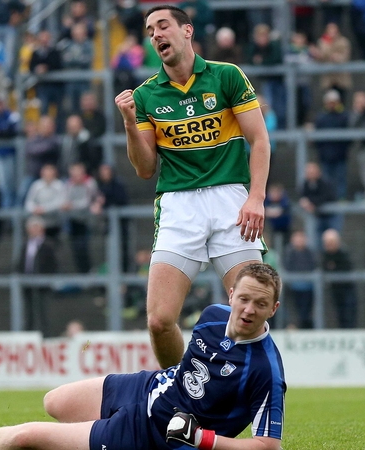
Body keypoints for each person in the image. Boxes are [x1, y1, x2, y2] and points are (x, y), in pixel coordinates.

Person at [0, 263, 286, 450]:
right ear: (231, 295)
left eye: (260, 303)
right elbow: (188, 370)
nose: (248, 310)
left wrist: (201, 439)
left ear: (274, 308)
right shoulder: (212, 316)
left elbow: (268, 448)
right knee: (54, 402)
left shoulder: (266, 369)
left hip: (154, 435)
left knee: (27, 438)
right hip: (149, 389)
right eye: (244, 298)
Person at [114, 5, 271, 369]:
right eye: (150, 30)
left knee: (253, 311)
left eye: (163, 26)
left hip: (231, 198)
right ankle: (180, 397)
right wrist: (128, 123)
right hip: (179, 205)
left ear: (187, 31)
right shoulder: (146, 95)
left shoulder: (226, 76)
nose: (156, 35)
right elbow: (145, 168)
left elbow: (259, 140)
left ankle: (259, 396)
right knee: (158, 321)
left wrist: (257, 197)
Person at [18, 215, 58, 335]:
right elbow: (20, 262)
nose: (33, 229)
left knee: (43, 312)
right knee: (28, 313)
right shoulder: (25, 245)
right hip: (28, 285)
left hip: (43, 285)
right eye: (31, 227)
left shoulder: (49, 245)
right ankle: (28, 335)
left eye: (36, 227)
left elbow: (53, 264)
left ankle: (45, 336)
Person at [321, 228, 357, 329]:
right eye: (327, 243)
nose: (329, 245)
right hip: (335, 291)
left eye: (331, 242)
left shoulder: (344, 254)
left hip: (347, 290)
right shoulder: (325, 256)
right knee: (339, 316)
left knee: (349, 315)